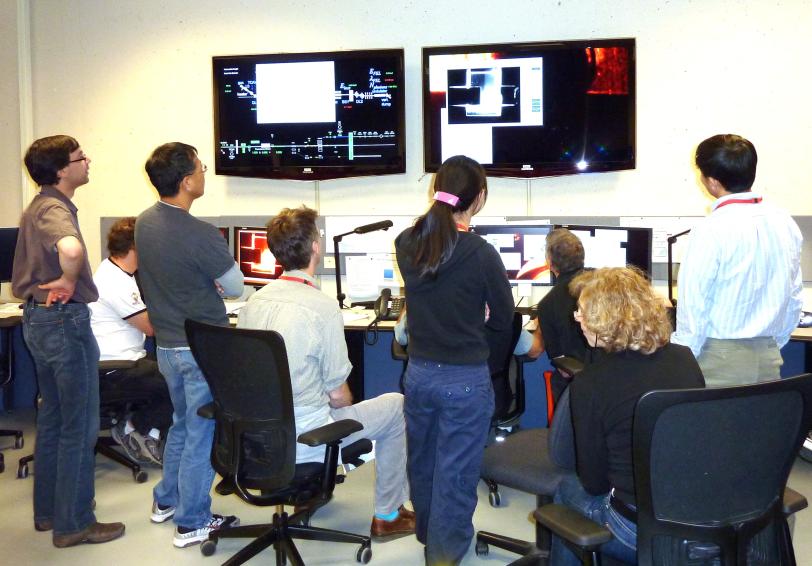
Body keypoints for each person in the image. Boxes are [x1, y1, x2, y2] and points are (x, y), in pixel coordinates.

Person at [237, 205, 415, 541]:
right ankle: (388, 515)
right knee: (396, 406)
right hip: (305, 440)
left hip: (254, 443)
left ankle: (310, 492)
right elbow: (340, 395)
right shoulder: (320, 306)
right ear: (316, 247)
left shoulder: (253, 303)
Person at [395, 155, 514, 566]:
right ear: (478, 198)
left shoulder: (406, 242)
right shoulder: (480, 253)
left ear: (436, 190)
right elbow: (503, 319)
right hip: (465, 379)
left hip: (420, 374)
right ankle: (443, 554)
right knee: (457, 470)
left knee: (423, 459)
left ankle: (429, 532)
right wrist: (477, 321)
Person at [11, 135, 125, 547]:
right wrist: (70, 278)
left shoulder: (39, 205)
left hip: (40, 321)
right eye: (80, 157)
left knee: (55, 421)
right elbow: (72, 248)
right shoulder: (55, 209)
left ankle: (48, 514)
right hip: (63, 323)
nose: (87, 161)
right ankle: (75, 523)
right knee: (79, 426)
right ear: (62, 170)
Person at [550, 267, 705, 565]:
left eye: (582, 311)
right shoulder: (684, 358)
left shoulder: (590, 383)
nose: (576, 318)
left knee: (565, 489)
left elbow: (593, 483)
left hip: (636, 530)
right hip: (698, 519)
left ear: (604, 318)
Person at [135, 142, 243, 548]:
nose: (204, 173)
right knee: (201, 433)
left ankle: (166, 500)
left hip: (165, 347)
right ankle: (192, 521)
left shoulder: (144, 222)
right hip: (201, 350)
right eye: (201, 168)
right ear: (186, 182)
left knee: (181, 425)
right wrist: (215, 281)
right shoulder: (200, 234)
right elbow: (235, 287)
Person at [672, 134, 803, 387]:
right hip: (769, 357)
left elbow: (693, 310)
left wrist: (681, 363)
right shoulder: (784, 222)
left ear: (711, 182)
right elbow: (794, 296)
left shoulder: (710, 230)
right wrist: (772, 345)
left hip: (717, 360)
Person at [89, 216, 173, 465]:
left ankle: (145, 430)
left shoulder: (115, 272)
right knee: (182, 380)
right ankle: (137, 428)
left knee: (171, 370)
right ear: (136, 248)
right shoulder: (114, 282)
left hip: (121, 361)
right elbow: (149, 327)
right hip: (114, 369)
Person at [535, 228, 597, 400]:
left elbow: (563, 368)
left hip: (580, 387)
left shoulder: (547, 305)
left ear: (550, 263)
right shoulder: (606, 284)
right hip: (616, 377)